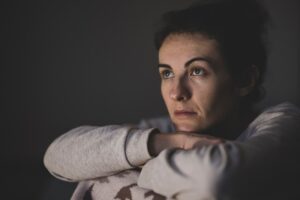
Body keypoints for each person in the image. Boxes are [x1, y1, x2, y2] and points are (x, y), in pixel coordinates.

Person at [43, 0, 300, 199]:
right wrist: (164, 142)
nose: (177, 92)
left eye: (197, 71)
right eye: (167, 73)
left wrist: (140, 164)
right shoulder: (161, 132)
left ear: (244, 80)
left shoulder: (283, 126)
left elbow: (212, 178)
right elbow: (56, 156)